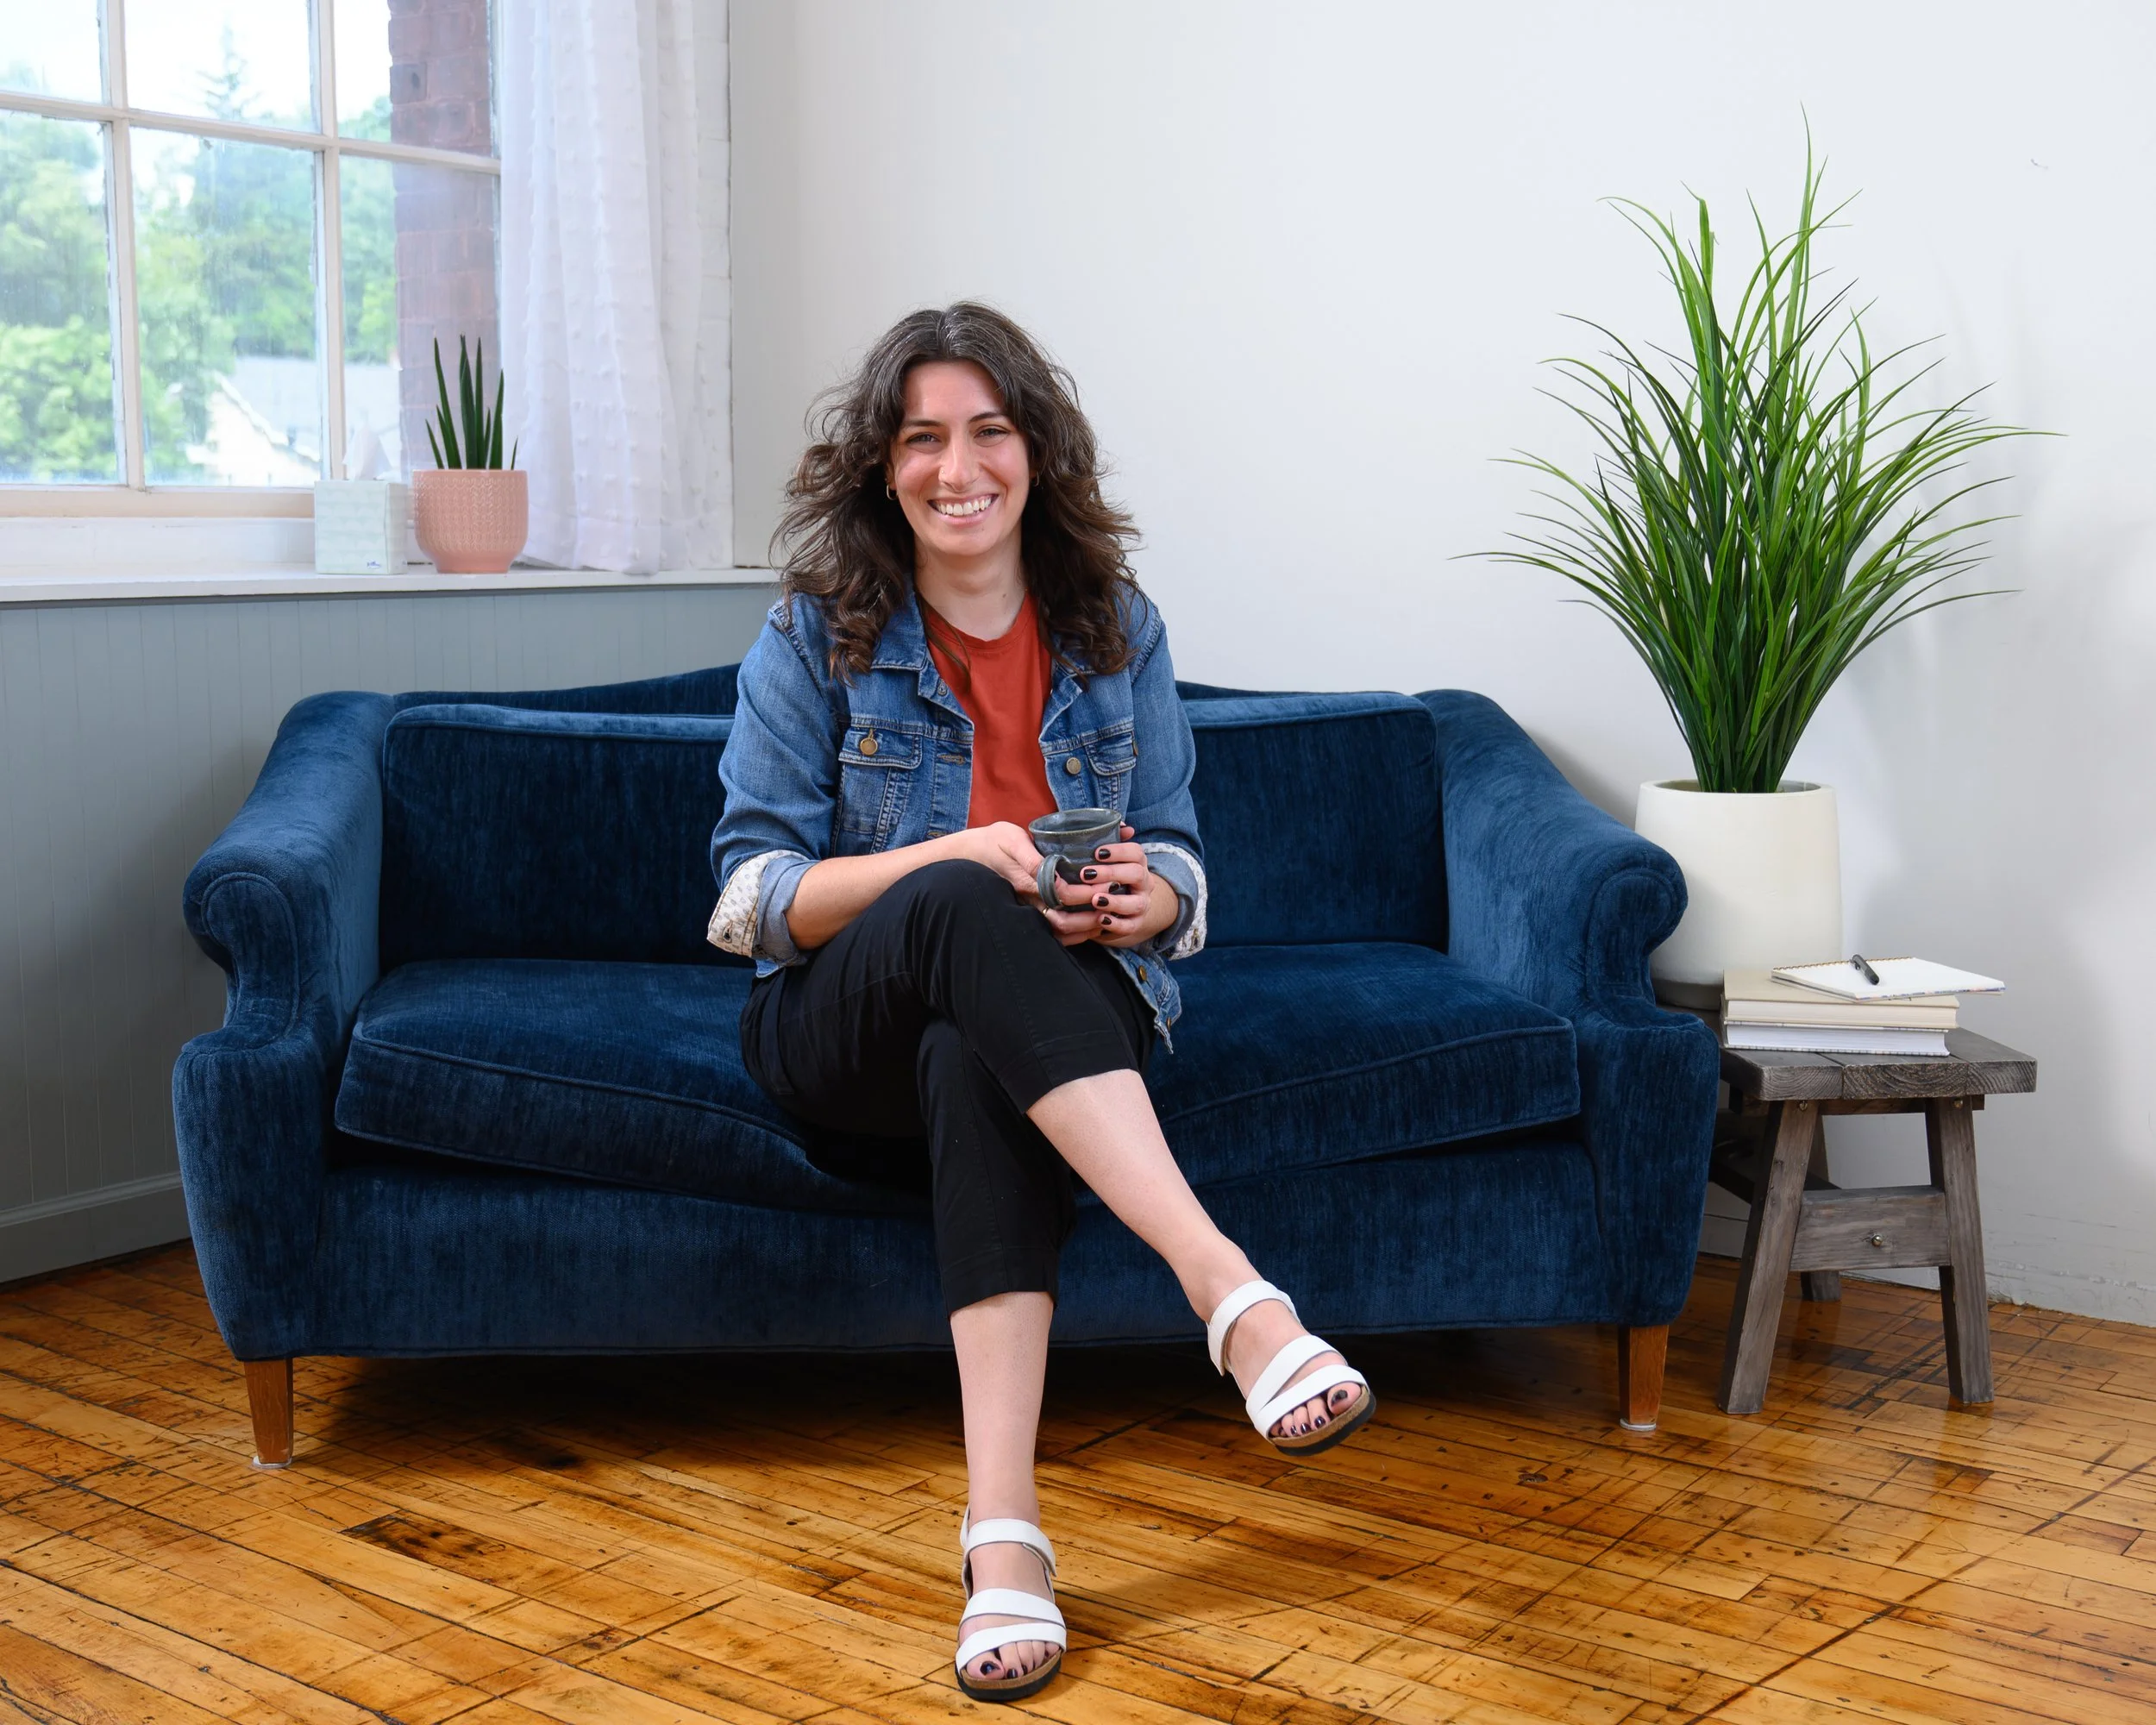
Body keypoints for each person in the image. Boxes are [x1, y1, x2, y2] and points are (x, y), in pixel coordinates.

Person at [708, 303, 1374, 1703]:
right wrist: (942, 856)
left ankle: (1002, 1543)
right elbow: (748, 897)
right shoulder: (813, 637)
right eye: (924, 438)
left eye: (989, 433)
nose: (960, 468)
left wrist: (1155, 903)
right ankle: (1235, 1301)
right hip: (838, 1034)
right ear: (883, 468)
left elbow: (1181, 850)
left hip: (1039, 1024)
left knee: (977, 1053)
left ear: (1035, 451)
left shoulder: (1114, 628)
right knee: (952, 911)